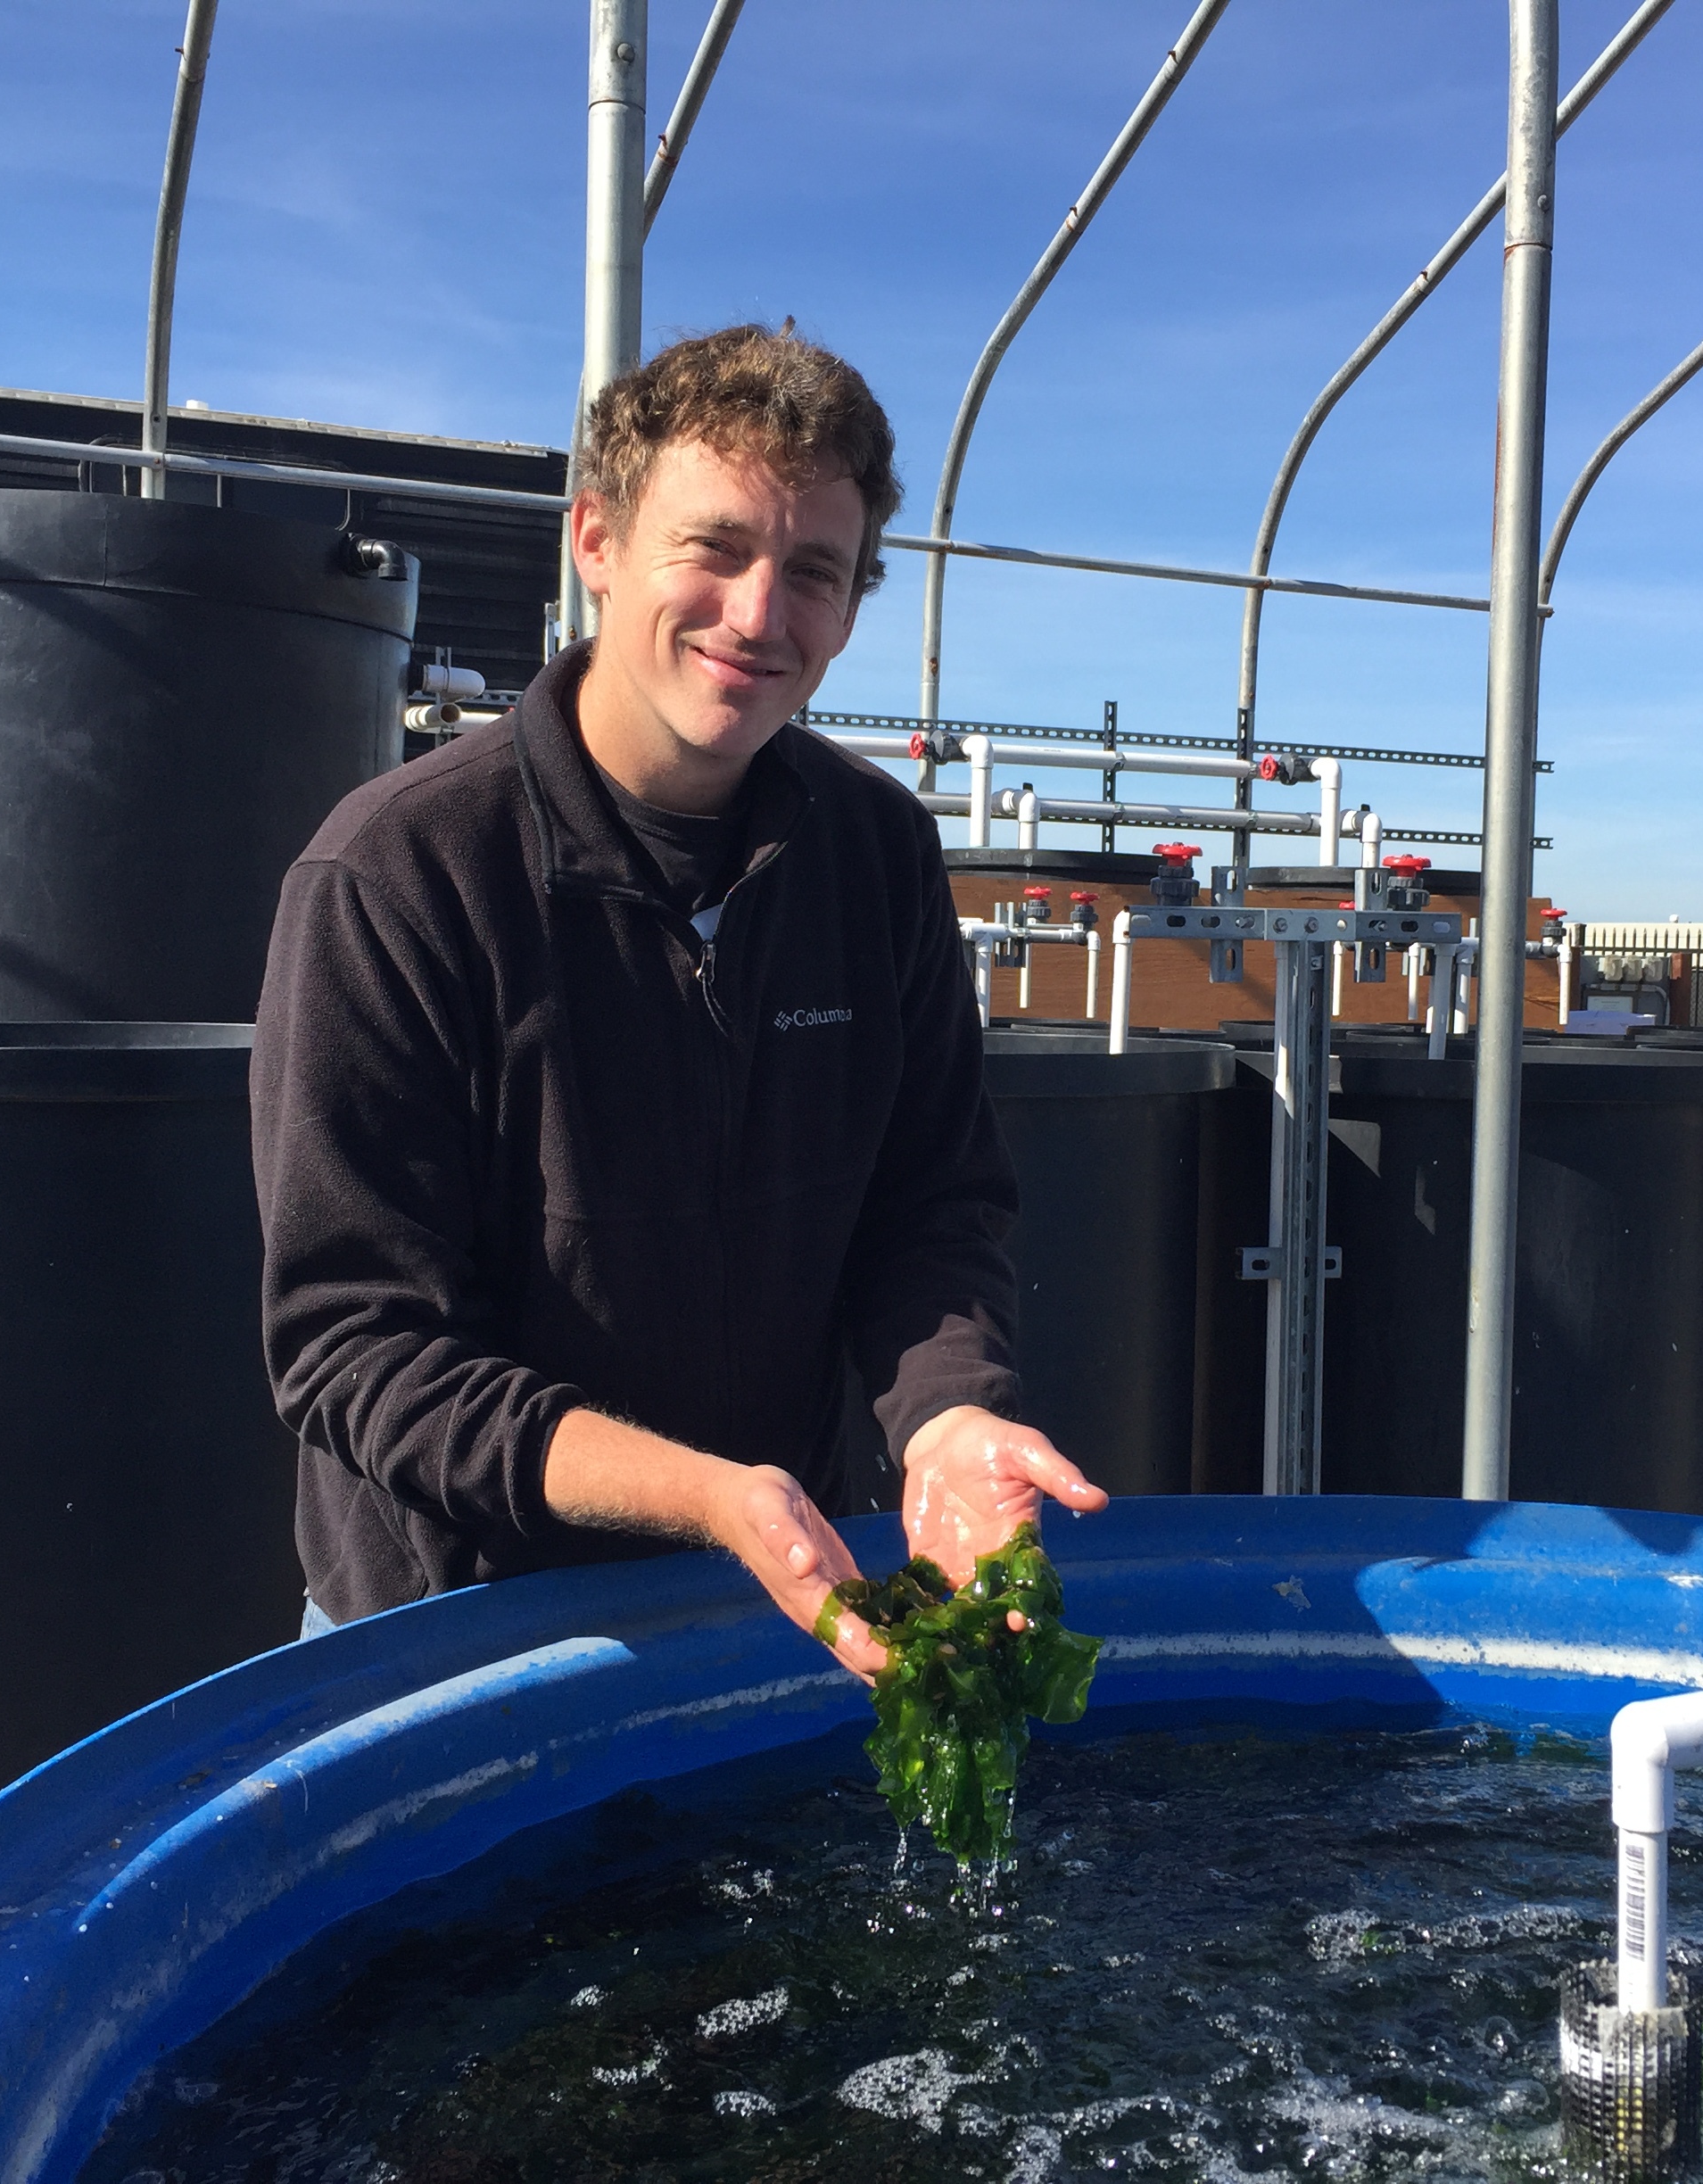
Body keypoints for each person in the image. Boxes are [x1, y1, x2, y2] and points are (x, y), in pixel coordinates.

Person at [251, 323, 1104, 1671]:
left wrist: (950, 1419)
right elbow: (358, 1346)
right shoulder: (401, 873)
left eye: (813, 572)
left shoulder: (874, 853)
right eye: (715, 549)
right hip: (453, 1628)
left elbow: (929, 1202)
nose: (761, 616)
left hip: (768, 1592)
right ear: (596, 541)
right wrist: (707, 1493)